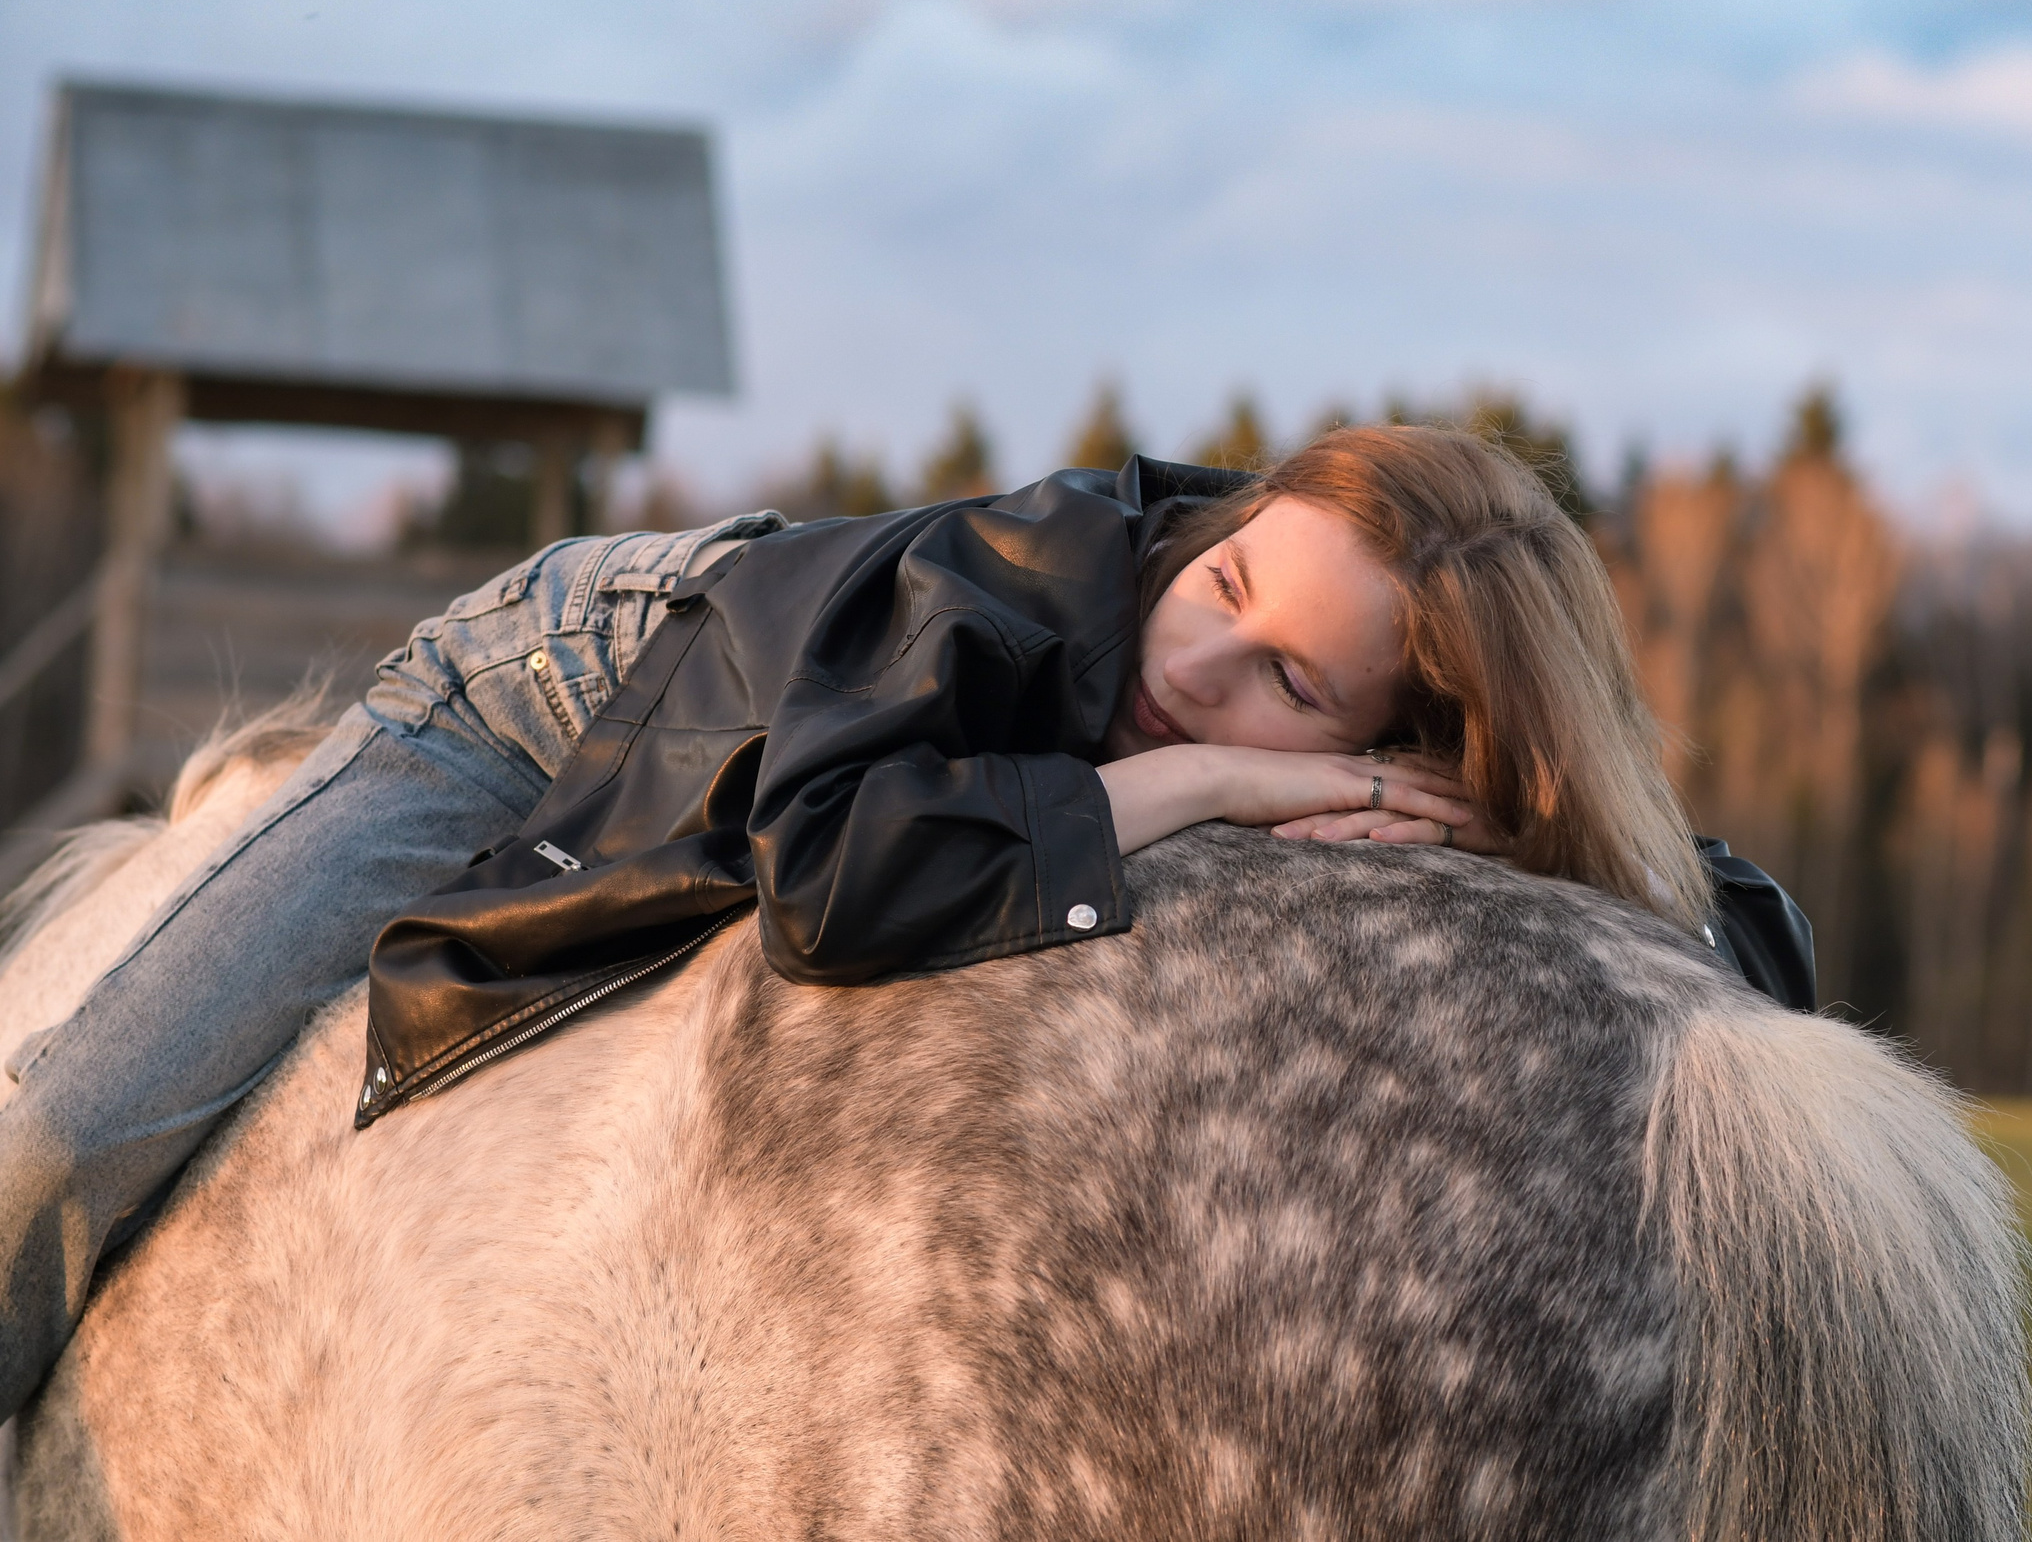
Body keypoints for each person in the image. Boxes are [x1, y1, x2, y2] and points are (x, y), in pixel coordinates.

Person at [0, 424, 1810, 1416]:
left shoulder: (1355, 726)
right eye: (1226, 578)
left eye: (1287, 683)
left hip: (766, 682)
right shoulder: (1003, 586)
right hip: (559, 682)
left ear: (1388, 736)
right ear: (1221, 521)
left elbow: (1696, 911)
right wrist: (1187, 789)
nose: (1201, 651)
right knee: (80, 1118)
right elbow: (833, 873)